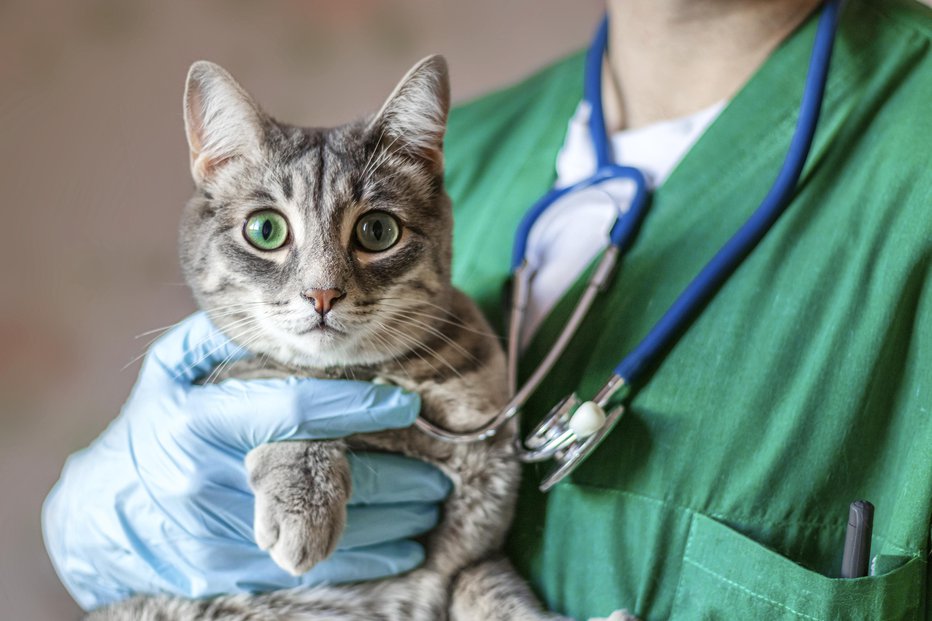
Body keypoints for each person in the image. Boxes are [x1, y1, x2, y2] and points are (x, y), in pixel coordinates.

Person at [44, 0, 931, 618]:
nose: (321, 285)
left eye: (371, 232)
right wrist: (90, 527)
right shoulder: (470, 141)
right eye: (275, 230)